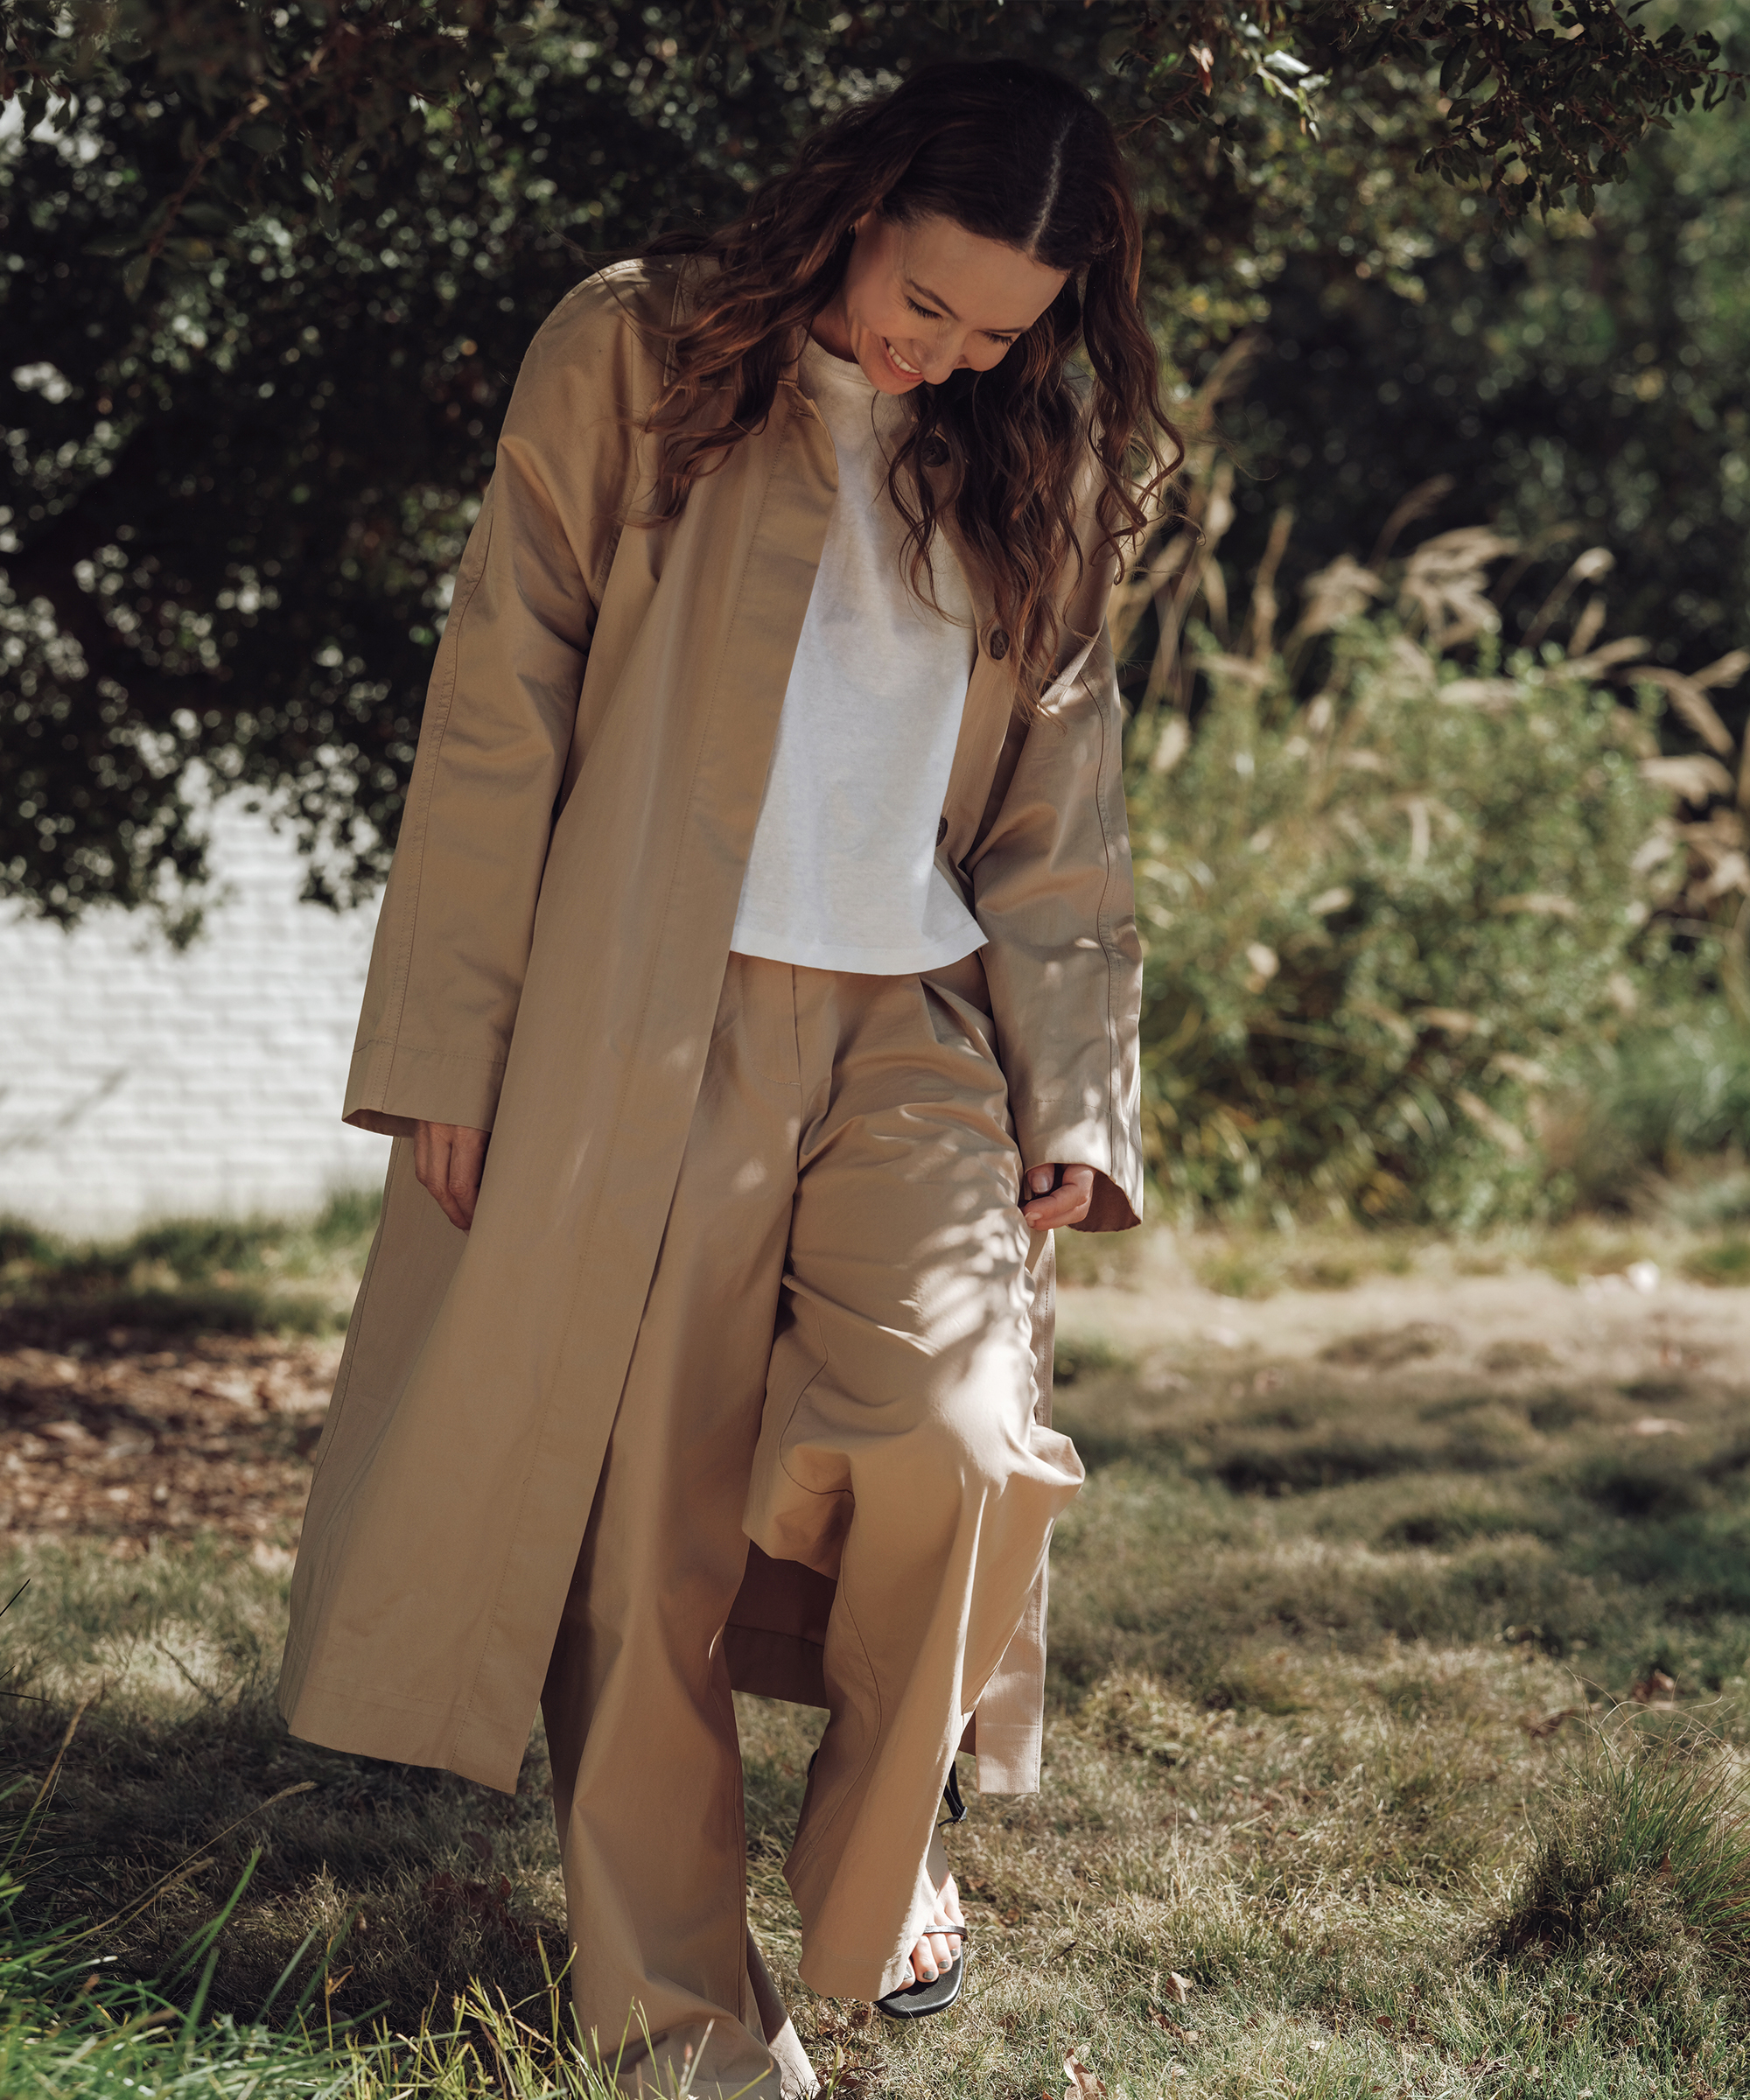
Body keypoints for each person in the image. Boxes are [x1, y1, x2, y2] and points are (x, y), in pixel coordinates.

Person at [278, 54, 1176, 2099]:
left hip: (913, 1025)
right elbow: (499, 691)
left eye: (999, 331)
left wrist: (1076, 1094)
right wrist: (452, 1041)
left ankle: (885, 1882)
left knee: (959, 1440)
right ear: (857, 203)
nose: (941, 355)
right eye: (924, 302)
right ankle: (686, 2033)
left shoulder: (1042, 451)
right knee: (641, 1549)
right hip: (639, 1022)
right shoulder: (638, 352)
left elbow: (1063, 802)